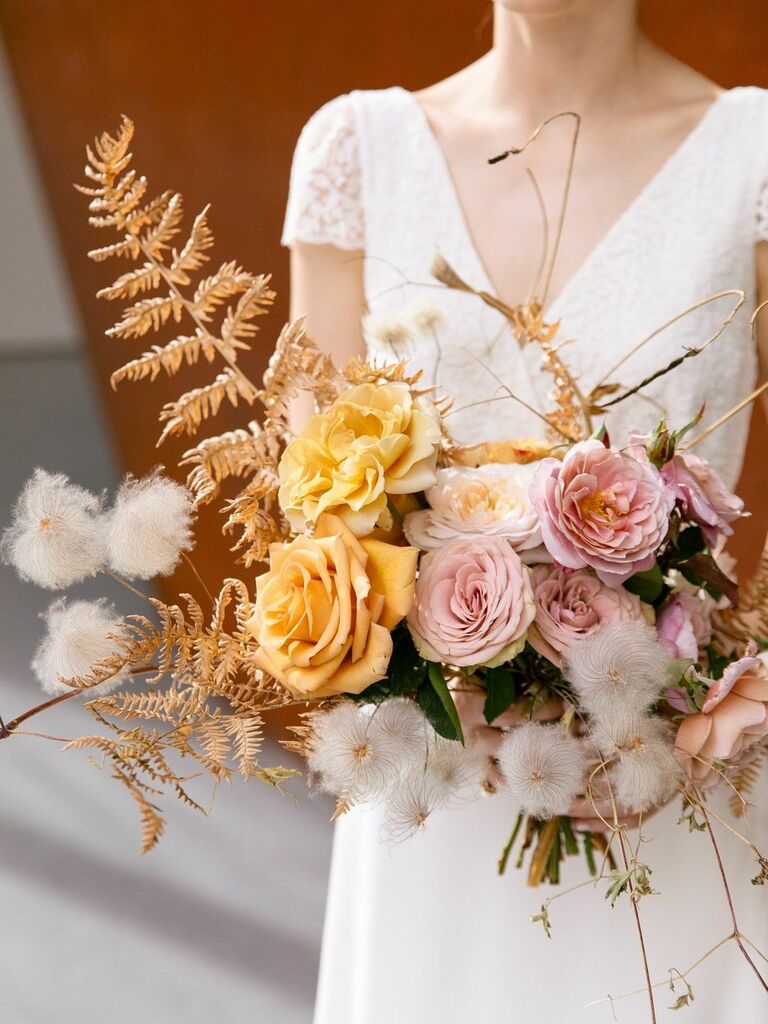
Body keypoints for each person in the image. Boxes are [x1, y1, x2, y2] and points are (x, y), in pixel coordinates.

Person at [282, 2, 768, 1020]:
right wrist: (444, 673)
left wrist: (743, 694)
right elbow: (315, 507)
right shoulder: (356, 151)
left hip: (670, 781)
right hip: (432, 787)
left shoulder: (751, 155)